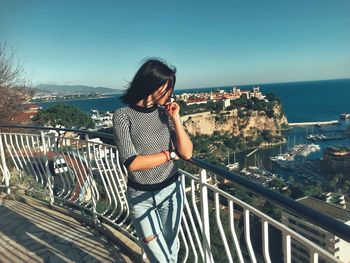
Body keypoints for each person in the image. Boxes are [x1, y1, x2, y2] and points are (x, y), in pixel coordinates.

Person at [113, 58, 193, 262]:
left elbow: (188, 153)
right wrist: (169, 155)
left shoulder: (164, 113)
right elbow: (132, 163)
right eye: (167, 89)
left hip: (171, 191)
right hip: (141, 197)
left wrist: (176, 118)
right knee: (158, 256)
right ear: (151, 85)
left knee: (171, 248)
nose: (170, 95)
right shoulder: (123, 116)